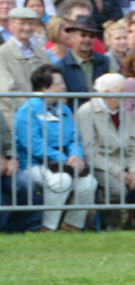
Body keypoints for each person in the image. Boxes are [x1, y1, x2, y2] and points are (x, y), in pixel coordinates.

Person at [76, 71, 135, 227]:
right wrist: (117, 171)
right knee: (117, 189)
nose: (126, 95)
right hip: (101, 166)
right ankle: (110, 225)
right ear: (106, 93)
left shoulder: (123, 111)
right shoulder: (86, 112)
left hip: (126, 162)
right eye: (121, 91)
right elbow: (90, 152)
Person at [15, 63, 98, 231]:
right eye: (59, 83)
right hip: (34, 164)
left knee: (89, 182)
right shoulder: (27, 111)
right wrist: (65, 159)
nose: (64, 87)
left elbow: (74, 138)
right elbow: (34, 146)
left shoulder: (64, 109)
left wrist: (76, 156)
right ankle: (47, 227)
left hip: (63, 163)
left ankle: (71, 226)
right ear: (45, 88)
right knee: (61, 181)